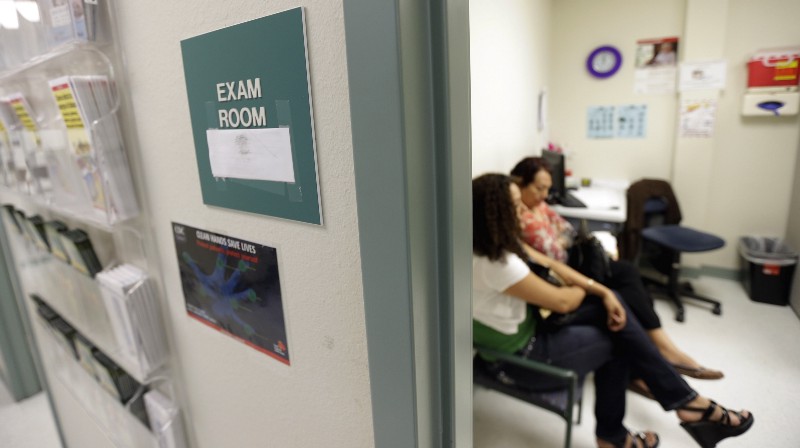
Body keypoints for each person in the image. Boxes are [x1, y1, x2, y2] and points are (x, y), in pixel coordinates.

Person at [472, 173, 753, 448]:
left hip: (531, 327)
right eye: (514, 205)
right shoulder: (496, 263)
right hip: (516, 360)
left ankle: (679, 403)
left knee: (615, 303)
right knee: (617, 342)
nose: (523, 209)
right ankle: (637, 424)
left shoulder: (498, 242)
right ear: (493, 213)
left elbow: (551, 264)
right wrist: (594, 285)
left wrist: (603, 291)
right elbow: (563, 302)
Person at [510, 156, 722, 381]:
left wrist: (560, 239)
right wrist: (560, 239)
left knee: (629, 275)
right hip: (563, 276)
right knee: (623, 291)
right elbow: (554, 252)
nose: (544, 195)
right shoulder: (519, 216)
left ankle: (659, 351)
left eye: (547, 189)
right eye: (539, 188)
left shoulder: (538, 205)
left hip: (572, 264)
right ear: (520, 183)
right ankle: (661, 354)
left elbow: (567, 230)